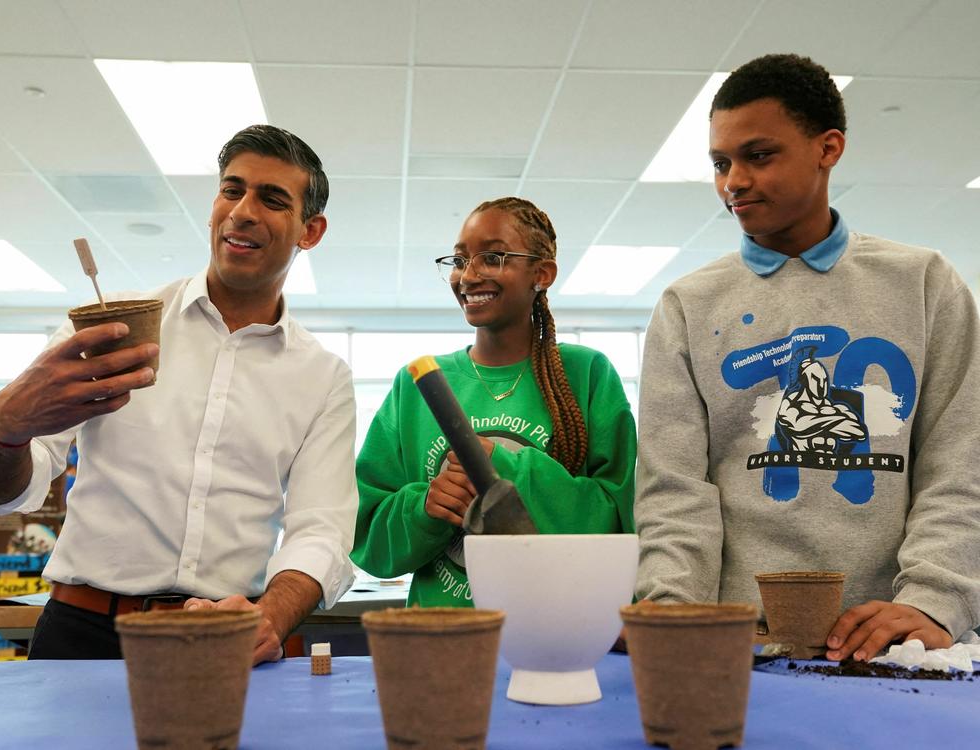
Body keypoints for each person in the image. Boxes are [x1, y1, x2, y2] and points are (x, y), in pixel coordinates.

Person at [635, 53, 980, 660]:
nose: (732, 181)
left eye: (758, 155)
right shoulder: (687, 305)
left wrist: (934, 599)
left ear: (828, 148)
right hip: (737, 643)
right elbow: (674, 490)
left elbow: (960, 467)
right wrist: (671, 612)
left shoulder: (925, 284)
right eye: (720, 163)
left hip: (897, 644)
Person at [0, 125, 358, 664]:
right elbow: (6, 490)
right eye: (232, 190)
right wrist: (4, 430)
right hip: (81, 637)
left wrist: (269, 617)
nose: (243, 211)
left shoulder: (323, 377)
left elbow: (321, 529)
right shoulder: (113, 328)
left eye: (272, 199)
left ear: (310, 230)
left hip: (222, 639)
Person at [353, 197, 636, 606]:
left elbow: (617, 518)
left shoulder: (587, 374)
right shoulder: (415, 386)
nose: (468, 275)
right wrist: (425, 508)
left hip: (557, 629)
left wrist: (502, 470)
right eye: (459, 260)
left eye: (493, 257)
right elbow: (368, 540)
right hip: (442, 638)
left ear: (542, 273)